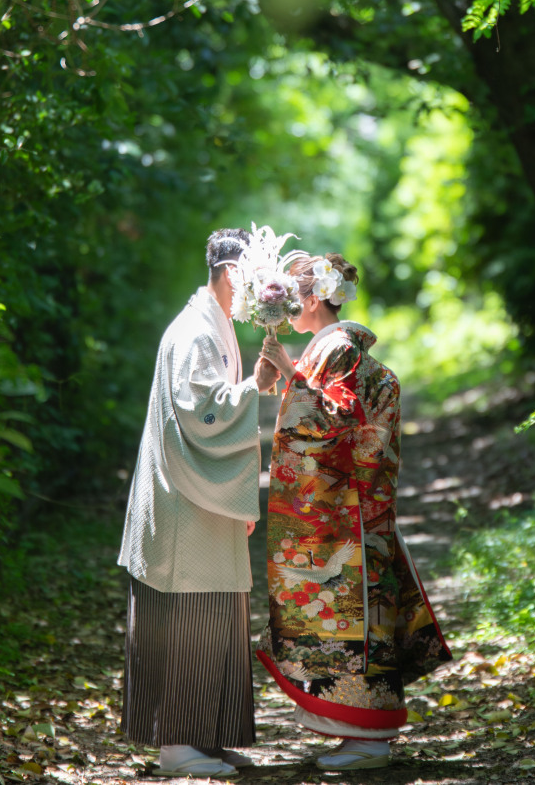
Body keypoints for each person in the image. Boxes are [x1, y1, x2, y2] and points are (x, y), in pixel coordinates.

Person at [257, 252, 452, 772]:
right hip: (345, 506)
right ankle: (358, 734)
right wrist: (288, 375)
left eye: (294, 298)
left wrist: (291, 375)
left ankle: (368, 738)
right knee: (351, 613)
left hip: (343, 510)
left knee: (354, 614)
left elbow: (335, 422)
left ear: (314, 300)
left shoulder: (337, 348)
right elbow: (334, 414)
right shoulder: (334, 347)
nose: (288, 308)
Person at [118, 228, 279, 779]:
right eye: (255, 276)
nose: (260, 288)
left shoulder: (213, 324)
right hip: (185, 506)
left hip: (198, 500)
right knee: (191, 618)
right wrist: (255, 386)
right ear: (233, 273)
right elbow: (201, 416)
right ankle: (177, 746)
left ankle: (207, 737)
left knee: (216, 617)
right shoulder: (195, 332)